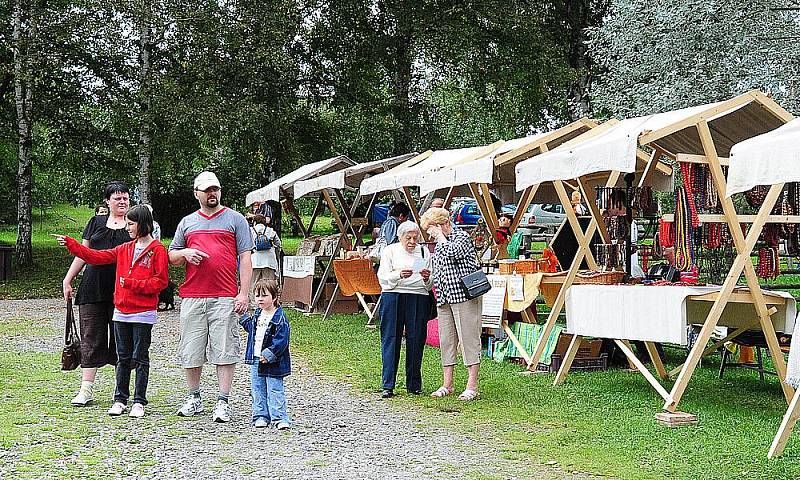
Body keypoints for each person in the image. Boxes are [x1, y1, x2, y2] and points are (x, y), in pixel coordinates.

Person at [53, 205, 169, 418]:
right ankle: (120, 399)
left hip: (143, 313)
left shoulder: (158, 250)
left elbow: (161, 282)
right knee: (122, 356)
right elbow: (95, 256)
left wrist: (132, 284)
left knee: (140, 357)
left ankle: (139, 401)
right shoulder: (124, 249)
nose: (127, 228)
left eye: (131, 224)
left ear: (142, 224)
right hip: (121, 312)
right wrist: (72, 245)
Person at [168, 171, 253, 423]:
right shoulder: (187, 222)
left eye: (215, 189)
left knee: (225, 349)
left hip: (225, 296)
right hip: (193, 295)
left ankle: (223, 401)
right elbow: (171, 257)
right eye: (206, 190)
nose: (212, 193)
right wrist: (186, 252)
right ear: (197, 194)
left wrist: (243, 293)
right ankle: (194, 397)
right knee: (191, 349)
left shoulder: (236, 220)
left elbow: (246, 257)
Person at [63, 181, 131, 406]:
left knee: (123, 339)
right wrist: (68, 278)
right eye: (117, 198)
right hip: (93, 288)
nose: (122, 202)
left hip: (124, 290)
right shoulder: (95, 222)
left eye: (125, 198)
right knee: (91, 336)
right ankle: (86, 390)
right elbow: (83, 253)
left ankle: (121, 392)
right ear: (108, 201)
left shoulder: (134, 225)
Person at [420, 207, 483, 401]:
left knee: (468, 338)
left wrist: (440, 237)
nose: (429, 234)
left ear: (442, 224)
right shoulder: (440, 244)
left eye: (430, 229)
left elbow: (454, 253)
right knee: (446, 340)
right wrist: (428, 279)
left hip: (464, 296)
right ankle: (447, 384)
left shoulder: (460, 237)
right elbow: (440, 268)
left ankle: (472, 385)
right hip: (444, 298)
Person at [376, 221, 433, 398]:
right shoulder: (390, 251)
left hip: (417, 296)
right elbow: (383, 278)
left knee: (416, 339)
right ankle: (388, 384)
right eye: (408, 238)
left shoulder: (424, 252)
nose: (412, 242)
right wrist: (398, 275)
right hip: (393, 295)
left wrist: (426, 278)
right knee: (391, 337)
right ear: (400, 237)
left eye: (415, 238)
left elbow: (430, 284)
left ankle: (414, 384)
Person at [239, 279, 291, 429]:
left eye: (264, 295)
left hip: (273, 361)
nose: (260, 299)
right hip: (256, 358)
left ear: (274, 297)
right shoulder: (258, 314)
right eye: (257, 296)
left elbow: (282, 340)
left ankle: (279, 418)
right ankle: (260, 415)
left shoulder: (279, 318)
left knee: (275, 388)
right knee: (257, 388)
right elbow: (252, 330)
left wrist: (269, 354)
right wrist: (243, 318)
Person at [250, 214, 281, 290]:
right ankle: (269, 299)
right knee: (269, 284)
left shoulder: (250, 231)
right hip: (269, 261)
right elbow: (278, 244)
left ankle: (254, 300)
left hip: (254, 261)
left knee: (253, 283)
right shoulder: (271, 230)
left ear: (254, 222)